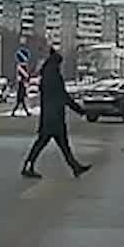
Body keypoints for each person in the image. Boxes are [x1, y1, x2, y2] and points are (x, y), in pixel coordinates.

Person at [22, 48, 90, 179]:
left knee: (46, 144)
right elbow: (63, 97)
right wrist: (80, 110)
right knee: (60, 145)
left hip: (48, 117)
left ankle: (74, 167)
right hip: (55, 118)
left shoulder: (46, 75)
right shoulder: (54, 76)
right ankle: (75, 167)